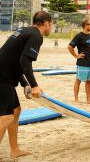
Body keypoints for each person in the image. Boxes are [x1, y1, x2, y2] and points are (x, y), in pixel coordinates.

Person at [0, 11, 52, 158]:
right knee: (5, 117)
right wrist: (34, 85)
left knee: (16, 111)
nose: (50, 28)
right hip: (2, 77)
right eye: (51, 25)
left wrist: (24, 84)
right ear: (47, 23)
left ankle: (14, 150)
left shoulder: (24, 30)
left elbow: (15, 59)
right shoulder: (36, 35)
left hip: (6, 76)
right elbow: (24, 61)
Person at [68, 18, 90, 105]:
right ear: (85, 25)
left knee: (89, 81)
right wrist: (76, 56)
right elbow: (70, 47)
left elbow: (89, 48)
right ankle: (76, 99)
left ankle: (88, 100)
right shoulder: (79, 36)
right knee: (79, 80)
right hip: (82, 62)